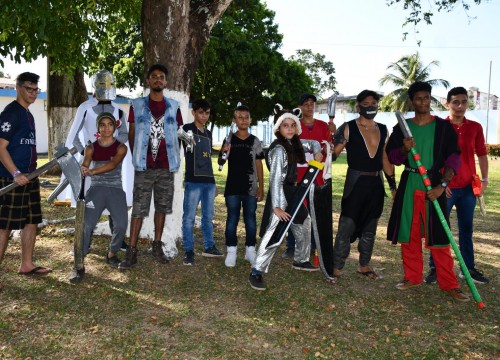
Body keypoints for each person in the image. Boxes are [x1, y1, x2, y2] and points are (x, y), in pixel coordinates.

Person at [386, 81, 469, 302]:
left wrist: (442, 186)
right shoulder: (402, 129)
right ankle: (412, 277)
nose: (423, 101)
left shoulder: (443, 127)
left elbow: (454, 158)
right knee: (409, 235)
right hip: (410, 182)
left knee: (440, 236)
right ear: (412, 101)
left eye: (426, 97)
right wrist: (404, 147)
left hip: (433, 184)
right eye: (419, 98)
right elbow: (393, 157)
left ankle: (449, 284)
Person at [249, 104, 323, 291]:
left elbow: (312, 143)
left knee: (303, 221)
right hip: (280, 195)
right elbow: (274, 179)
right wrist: (276, 207)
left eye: (292, 125)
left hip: (292, 191)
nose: (289, 128)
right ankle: (256, 271)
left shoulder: (293, 144)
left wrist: (317, 151)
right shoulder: (279, 150)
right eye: (285, 125)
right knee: (274, 233)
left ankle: (300, 259)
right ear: (278, 128)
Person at [119, 64, 183, 270]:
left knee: (162, 208)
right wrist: (139, 155)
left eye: (161, 77)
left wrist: (170, 156)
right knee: (139, 209)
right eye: (153, 77)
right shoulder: (137, 105)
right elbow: (131, 134)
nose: (157, 80)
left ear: (165, 82)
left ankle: (157, 245)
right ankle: (131, 251)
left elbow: (178, 135)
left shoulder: (174, 106)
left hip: (166, 167)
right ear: (148, 81)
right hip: (144, 167)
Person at [59, 69, 130, 251]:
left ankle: (117, 238)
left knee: (114, 196)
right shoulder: (86, 107)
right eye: (101, 84)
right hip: (90, 162)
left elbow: (123, 133)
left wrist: (111, 147)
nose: (105, 88)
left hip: (112, 164)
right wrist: (86, 152)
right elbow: (73, 135)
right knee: (87, 200)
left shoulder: (119, 111)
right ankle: (84, 241)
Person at [424, 87, 489, 285]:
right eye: (455, 102)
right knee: (438, 228)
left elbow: (482, 154)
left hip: (468, 188)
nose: (460, 106)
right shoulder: (439, 126)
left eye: (463, 102)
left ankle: (467, 268)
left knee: (466, 229)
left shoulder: (475, 127)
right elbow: (433, 156)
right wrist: (442, 183)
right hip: (446, 187)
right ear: (447, 104)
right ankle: (435, 268)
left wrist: (484, 180)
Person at [331, 90, 395, 280]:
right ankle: (336, 267)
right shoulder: (348, 127)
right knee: (347, 224)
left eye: (374, 103)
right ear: (358, 107)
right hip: (355, 182)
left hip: (376, 182)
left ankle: (364, 265)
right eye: (366, 103)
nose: (370, 106)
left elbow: (385, 158)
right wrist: (329, 139)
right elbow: (333, 155)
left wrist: (392, 185)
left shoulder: (384, 129)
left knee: (370, 225)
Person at [0, 72, 52, 276]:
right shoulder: (11, 113)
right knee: (4, 226)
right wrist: (15, 173)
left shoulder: (28, 114)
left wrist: (27, 174)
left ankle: (27, 264)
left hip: (30, 177)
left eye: (36, 89)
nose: (33, 93)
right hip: (11, 178)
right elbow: (1, 147)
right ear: (18, 88)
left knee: (31, 220)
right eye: (29, 88)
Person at [282, 93, 335, 279]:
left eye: (312, 104)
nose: (310, 107)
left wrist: (330, 142)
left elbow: (331, 149)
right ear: (300, 107)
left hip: (318, 177)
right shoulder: (294, 126)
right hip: (299, 177)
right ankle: (291, 246)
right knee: (296, 211)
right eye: (306, 104)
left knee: (313, 216)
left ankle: (312, 249)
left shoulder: (323, 126)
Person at [77, 112, 128, 279]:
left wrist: (92, 171)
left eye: (110, 124)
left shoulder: (121, 147)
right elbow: (85, 163)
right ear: (98, 127)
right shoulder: (90, 147)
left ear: (114, 127)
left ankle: (112, 253)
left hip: (115, 189)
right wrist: (84, 168)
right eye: (102, 125)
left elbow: (113, 164)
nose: (106, 128)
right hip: (97, 188)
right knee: (86, 225)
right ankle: (80, 259)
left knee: (121, 224)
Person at [219, 104, 265, 267]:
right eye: (240, 117)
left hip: (250, 188)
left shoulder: (255, 141)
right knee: (232, 219)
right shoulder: (229, 139)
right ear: (234, 120)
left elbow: (259, 164)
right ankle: (231, 251)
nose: (243, 120)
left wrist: (261, 186)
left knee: (250, 220)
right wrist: (224, 151)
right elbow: (221, 161)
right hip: (232, 188)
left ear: (250, 120)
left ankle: (250, 251)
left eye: (246, 117)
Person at [181, 99, 223, 265]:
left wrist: (214, 184)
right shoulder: (186, 129)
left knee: (208, 216)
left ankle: (209, 246)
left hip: (208, 182)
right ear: (194, 112)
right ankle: (189, 251)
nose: (204, 116)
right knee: (189, 218)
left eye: (207, 113)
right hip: (193, 181)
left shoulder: (208, 133)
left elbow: (207, 160)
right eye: (201, 112)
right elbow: (186, 147)